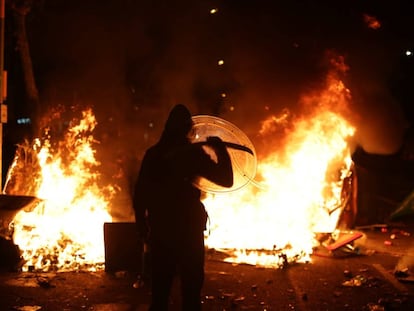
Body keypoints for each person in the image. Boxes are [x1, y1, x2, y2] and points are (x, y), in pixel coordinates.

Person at [133, 104, 233, 310]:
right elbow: (226, 179)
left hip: (161, 228)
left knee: (160, 292)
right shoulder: (192, 155)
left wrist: (142, 224)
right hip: (188, 230)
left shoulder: (153, 154)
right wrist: (221, 151)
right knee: (191, 292)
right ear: (188, 128)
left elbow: (140, 193)